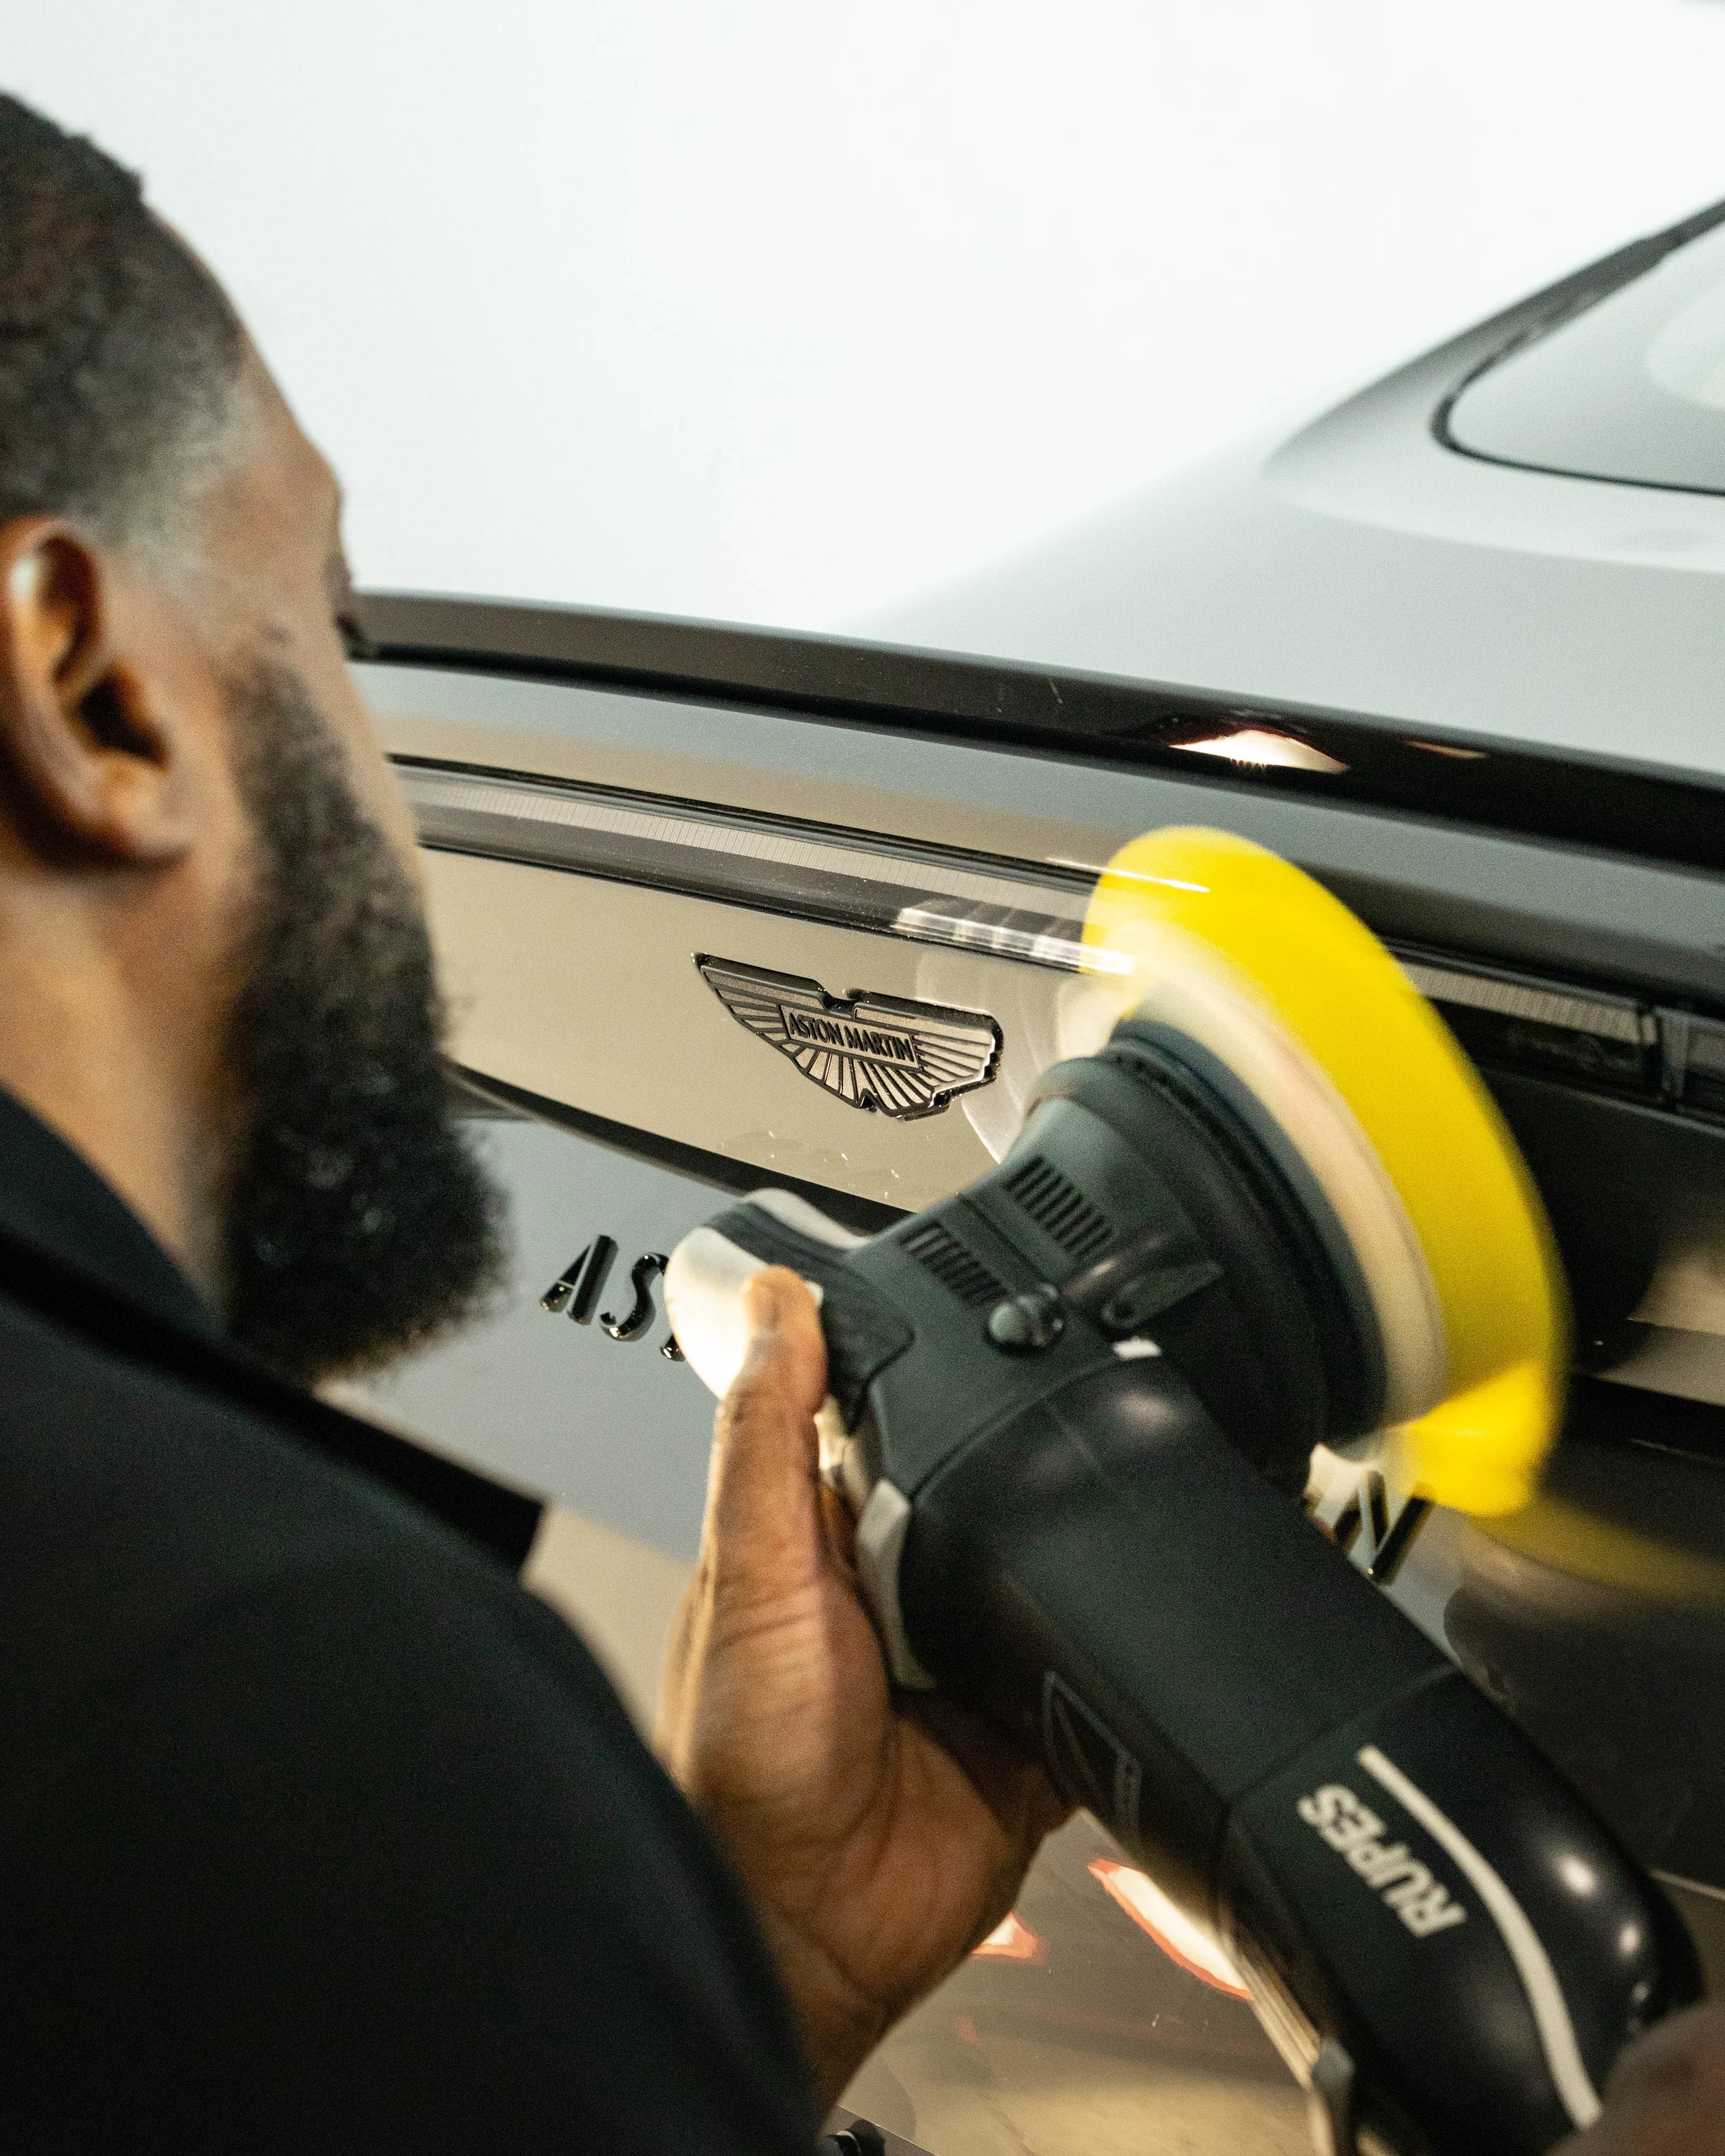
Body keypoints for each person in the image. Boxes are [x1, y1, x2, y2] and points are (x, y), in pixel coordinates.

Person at [0, 90, 1715, 2153]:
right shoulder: (250, 1694)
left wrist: (750, 1959)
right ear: (89, 691)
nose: (376, 777)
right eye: (328, 633)